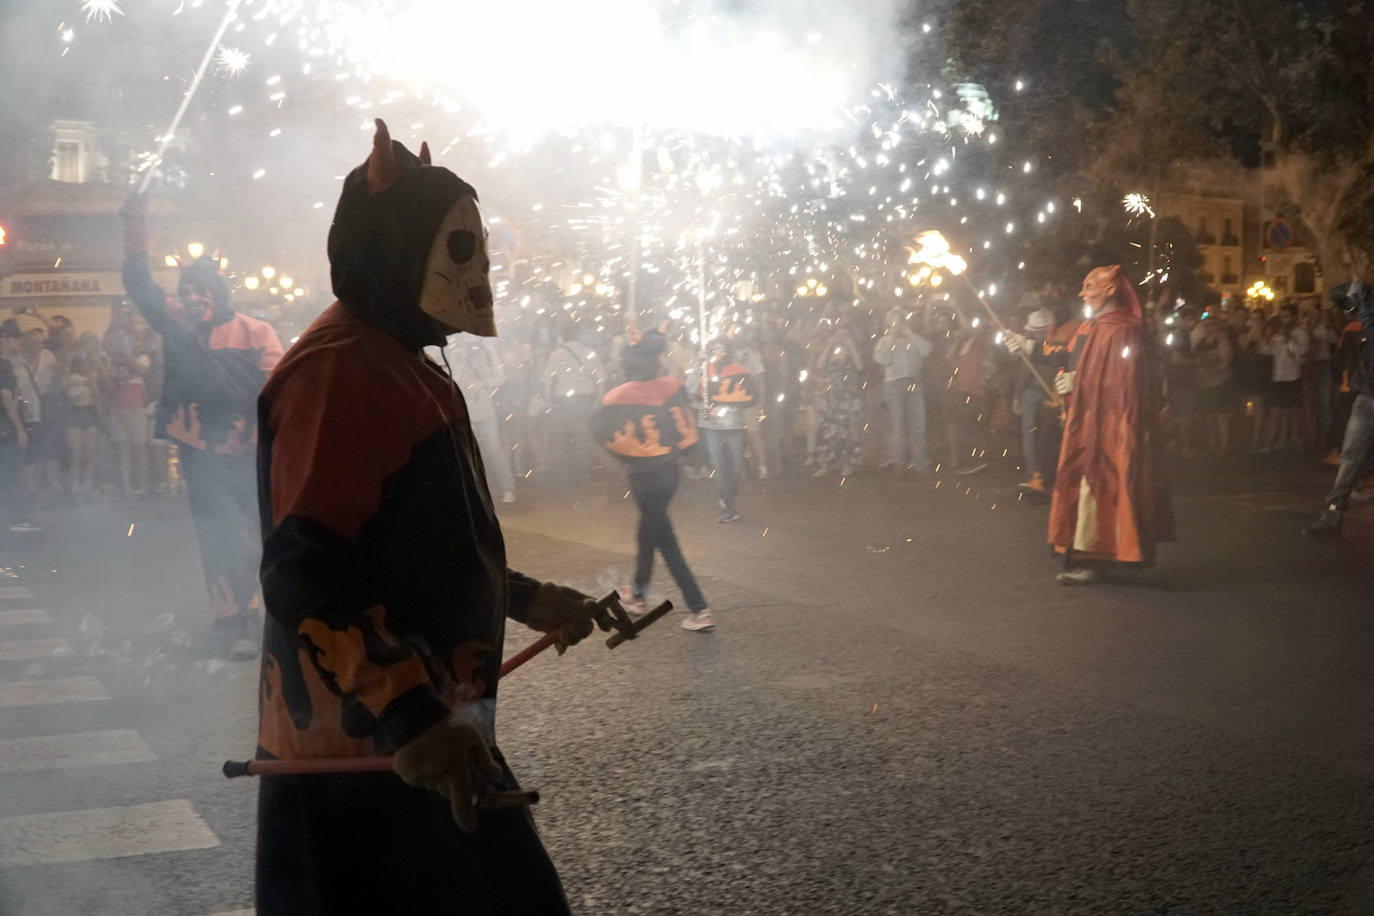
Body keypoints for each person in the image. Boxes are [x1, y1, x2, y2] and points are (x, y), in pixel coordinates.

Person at [251, 122, 602, 914]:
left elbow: (416, 549)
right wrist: (409, 717)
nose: (480, 274)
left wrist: (528, 597)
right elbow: (307, 570)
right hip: (367, 760)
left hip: (426, 739)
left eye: (482, 251)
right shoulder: (341, 371)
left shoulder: (394, 361)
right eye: (460, 249)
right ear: (396, 248)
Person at [119, 196, 285, 658]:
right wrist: (136, 229)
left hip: (249, 454)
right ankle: (232, 622)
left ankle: (259, 614)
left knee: (252, 534)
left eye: (202, 291)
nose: (193, 299)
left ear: (218, 293)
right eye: (187, 292)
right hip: (201, 456)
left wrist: (260, 435)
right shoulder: (177, 327)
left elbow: (278, 391)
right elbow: (139, 284)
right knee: (219, 534)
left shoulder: (256, 331)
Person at [1048, 265, 1173, 585]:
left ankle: (1098, 558)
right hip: (1093, 421)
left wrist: (1078, 383)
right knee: (1093, 483)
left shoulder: (1121, 331)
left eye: (1089, 287)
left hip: (1111, 426)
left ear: (1110, 290)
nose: (1082, 294)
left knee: (1105, 483)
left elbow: (1124, 385)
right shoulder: (1101, 327)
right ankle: (1092, 556)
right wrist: (1074, 381)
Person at [596, 328, 715, 631]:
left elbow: (599, 432)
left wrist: (619, 460)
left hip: (643, 476)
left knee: (666, 541)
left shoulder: (619, 397)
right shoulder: (671, 387)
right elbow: (685, 427)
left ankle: (699, 608)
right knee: (647, 531)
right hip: (670, 472)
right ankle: (638, 594)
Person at [1304, 269, 1374, 539]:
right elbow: (1336, 296)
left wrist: (1360, 297)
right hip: (1366, 397)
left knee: (1352, 459)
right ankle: (1332, 517)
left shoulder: (1367, 317)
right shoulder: (1365, 312)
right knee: (1349, 459)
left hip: (1366, 397)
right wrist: (1358, 289)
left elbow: (1367, 323)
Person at [444, 335, 516, 503]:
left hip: (484, 408)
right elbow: (450, 379)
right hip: (463, 408)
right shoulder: (456, 353)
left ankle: (507, 487)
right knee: (465, 450)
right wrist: (459, 360)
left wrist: (482, 383)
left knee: (493, 448)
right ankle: (471, 491)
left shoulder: (488, 351)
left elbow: (501, 378)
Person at [690, 338, 754, 521]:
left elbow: (749, 395)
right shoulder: (704, 368)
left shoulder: (738, 369)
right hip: (710, 424)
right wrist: (697, 366)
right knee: (718, 466)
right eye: (714, 349)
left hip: (733, 424)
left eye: (721, 348)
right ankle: (728, 505)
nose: (718, 352)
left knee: (736, 466)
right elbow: (690, 390)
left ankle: (729, 495)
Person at [874, 305, 933, 475]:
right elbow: (883, 359)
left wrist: (910, 334)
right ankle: (899, 464)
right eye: (894, 322)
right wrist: (892, 338)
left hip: (914, 384)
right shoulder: (884, 341)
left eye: (900, 322)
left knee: (918, 425)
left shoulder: (913, 339)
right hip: (894, 385)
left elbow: (927, 350)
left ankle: (920, 464)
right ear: (889, 324)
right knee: (898, 426)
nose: (898, 325)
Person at [541, 323, 603, 485]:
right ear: (580, 335)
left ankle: (562, 476)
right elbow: (600, 379)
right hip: (585, 399)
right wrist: (598, 400)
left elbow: (547, 380)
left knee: (560, 438)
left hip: (563, 400)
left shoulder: (556, 354)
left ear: (563, 337)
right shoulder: (590, 353)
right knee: (583, 437)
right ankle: (583, 475)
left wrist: (548, 400)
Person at [811, 320, 866, 477]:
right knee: (829, 432)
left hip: (849, 400)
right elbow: (819, 366)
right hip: (831, 400)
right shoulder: (830, 355)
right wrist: (829, 345)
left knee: (848, 433)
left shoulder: (853, 355)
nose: (841, 338)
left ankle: (846, 464)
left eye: (844, 335)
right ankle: (826, 464)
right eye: (838, 335)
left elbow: (860, 367)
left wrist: (850, 346)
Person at [0, 321, 40, 533]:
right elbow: (6, 399)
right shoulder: (4, 366)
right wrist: (19, 429)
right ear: (5, 339)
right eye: (16, 338)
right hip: (5, 429)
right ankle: (16, 520)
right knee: (11, 474)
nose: (19, 342)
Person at [1192, 315, 1234, 455]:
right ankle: (1212, 442)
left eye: (1210, 325)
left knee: (1221, 415)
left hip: (1220, 382)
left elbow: (1226, 362)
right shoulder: (1201, 343)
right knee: (1209, 414)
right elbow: (1197, 360)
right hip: (1206, 383)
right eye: (1205, 325)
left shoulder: (1222, 342)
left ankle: (1223, 444)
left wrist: (1210, 370)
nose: (1208, 328)